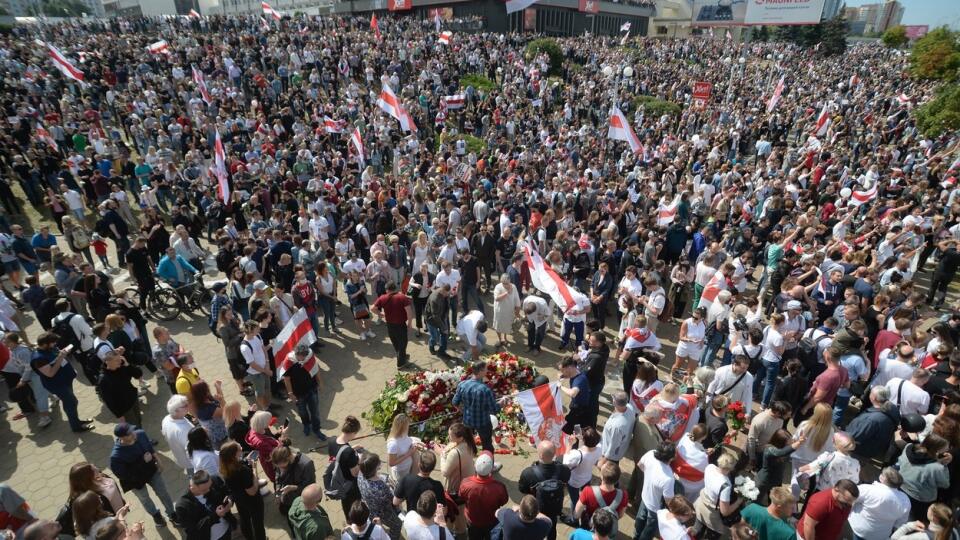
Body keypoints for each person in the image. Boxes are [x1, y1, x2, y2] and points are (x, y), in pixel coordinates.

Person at [109, 423, 177, 528]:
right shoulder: (116, 456)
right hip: (136, 481)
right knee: (145, 498)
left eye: (132, 430)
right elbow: (122, 475)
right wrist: (142, 463)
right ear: (122, 438)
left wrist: (158, 460)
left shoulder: (140, 434)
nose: (133, 434)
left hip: (151, 471)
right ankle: (156, 515)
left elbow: (149, 447)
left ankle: (172, 514)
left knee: (163, 492)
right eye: (129, 433)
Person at [30, 331, 92, 432]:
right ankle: (76, 426)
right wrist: (60, 357)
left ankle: (76, 421)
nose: (55, 345)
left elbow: (56, 356)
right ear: (45, 344)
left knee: (70, 403)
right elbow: (50, 373)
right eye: (53, 343)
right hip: (57, 385)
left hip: (65, 380)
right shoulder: (38, 358)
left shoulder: (50, 348)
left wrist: (62, 352)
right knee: (71, 403)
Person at [452, 360, 502, 470]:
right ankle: (489, 466)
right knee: (487, 445)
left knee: (468, 443)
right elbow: (494, 410)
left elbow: (454, 402)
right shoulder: (485, 390)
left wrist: (462, 411)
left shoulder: (462, 384)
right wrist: (501, 403)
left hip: (467, 421)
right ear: (480, 371)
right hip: (483, 422)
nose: (487, 370)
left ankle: (469, 464)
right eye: (485, 369)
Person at [518, 440, 572, 540]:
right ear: (554, 454)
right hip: (555, 507)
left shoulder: (528, 473)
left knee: (534, 529)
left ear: (540, 455)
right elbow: (566, 480)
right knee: (552, 527)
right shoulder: (564, 469)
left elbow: (522, 489)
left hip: (535, 509)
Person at [897, 433, 952, 520]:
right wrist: (945, 465)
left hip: (900, 486)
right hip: (919, 497)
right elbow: (945, 484)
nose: (948, 449)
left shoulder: (908, 447)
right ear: (937, 450)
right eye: (946, 448)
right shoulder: (937, 467)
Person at [848, 467, 911, 540]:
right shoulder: (905, 500)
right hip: (881, 535)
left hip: (860, 529)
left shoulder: (867, 489)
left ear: (883, 479)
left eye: (882, 474)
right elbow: (900, 522)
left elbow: (850, 499)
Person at [282, 344, 328, 441]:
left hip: (312, 390)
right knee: (302, 412)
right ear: (296, 354)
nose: (301, 358)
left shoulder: (310, 358)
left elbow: (316, 370)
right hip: (298, 393)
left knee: (315, 412)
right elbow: (287, 379)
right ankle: (306, 425)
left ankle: (316, 429)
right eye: (299, 356)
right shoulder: (289, 361)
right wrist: (290, 393)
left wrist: (320, 382)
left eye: (303, 356)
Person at [458, 453, 509, 540]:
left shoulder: (465, 483)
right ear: (491, 470)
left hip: (472, 521)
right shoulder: (499, 487)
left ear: (475, 466)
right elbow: (503, 501)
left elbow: (461, 497)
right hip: (491, 521)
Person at [693, 451, 744, 539]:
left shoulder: (710, 467)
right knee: (712, 536)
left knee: (697, 530)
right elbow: (725, 512)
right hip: (712, 513)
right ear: (731, 468)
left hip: (701, 503)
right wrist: (739, 502)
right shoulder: (725, 485)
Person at [633, 441, 677, 540]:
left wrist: (650, 476)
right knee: (648, 531)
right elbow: (668, 501)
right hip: (655, 508)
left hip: (644, 497)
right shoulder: (669, 477)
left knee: (639, 522)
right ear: (670, 458)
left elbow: (640, 465)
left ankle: (635, 537)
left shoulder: (650, 453)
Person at [174, 470, 233, 540]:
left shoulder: (215, 480)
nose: (209, 490)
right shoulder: (182, 506)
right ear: (192, 488)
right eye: (204, 489)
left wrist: (230, 501)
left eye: (210, 486)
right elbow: (193, 531)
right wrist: (215, 516)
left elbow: (229, 492)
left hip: (227, 529)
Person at [356, 453, 403, 540]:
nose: (380, 462)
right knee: (397, 525)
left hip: (370, 509)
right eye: (379, 462)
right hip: (384, 512)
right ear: (375, 469)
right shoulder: (382, 486)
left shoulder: (360, 474)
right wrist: (394, 486)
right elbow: (394, 500)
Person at [847, 385, 901, 460]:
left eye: (871, 393)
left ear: (873, 398)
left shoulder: (870, 420)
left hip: (859, 452)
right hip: (874, 448)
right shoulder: (893, 408)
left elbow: (855, 437)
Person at [273, 445, 317, 533]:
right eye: (278, 466)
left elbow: (310, 486)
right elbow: (277, 476)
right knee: (289, 518)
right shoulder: (279, 458)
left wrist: (294, 488)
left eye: (282, 466)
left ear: (289, 458)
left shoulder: (306, 464)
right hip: (286, 499)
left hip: (300, 500)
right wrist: (278, 492)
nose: (280, 468)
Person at [371, 281, 414, 369]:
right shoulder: (402, 297)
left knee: (396, 343)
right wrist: (410, 323)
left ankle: (402, 356)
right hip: (401, 325)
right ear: (395, 288)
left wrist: (380, 314)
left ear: (386, 289)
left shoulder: (382, 297)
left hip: (390, 325)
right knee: (403, 343)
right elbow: (409, 312)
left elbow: (372, 308)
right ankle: (400, 364)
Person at [573, 462, 628, 530]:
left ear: (601, 476)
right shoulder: (623, 495)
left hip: (590, 526)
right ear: (617, 480)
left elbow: (576, 514)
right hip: (607, 528)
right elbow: (620, 515)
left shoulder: (588, 491)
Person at [328, 415, 363, 519]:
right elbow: (355, 473)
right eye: (356, 434)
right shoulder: (348, 453)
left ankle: (348, 517)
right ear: (353, 433)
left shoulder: (332, 440)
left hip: (338, 478)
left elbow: (338, 453)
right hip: (349, 484)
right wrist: (360, 460)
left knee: (345, 501)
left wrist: (352, 448)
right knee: (353, 502)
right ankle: (354, 519)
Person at [240, 320, 273, 411]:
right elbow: (253, 365)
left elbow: (264, 350)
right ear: (251, 330)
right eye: (257, 328)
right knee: (260, 392)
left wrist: (267, 364)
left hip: (265, 368)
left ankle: (269, 404)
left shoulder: (257, 336)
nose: (259, 329)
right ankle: (264, 408)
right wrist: (266, 371)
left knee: (267, 388)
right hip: (256, 373)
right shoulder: (245, 347)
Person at [598, 391, 635, 467]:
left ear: (614, 402)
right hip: (622, 445)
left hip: (612, 456)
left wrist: (603, 461)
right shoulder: (630, 407)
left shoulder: (617, 426)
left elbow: (613, 447)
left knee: (610, 474)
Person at [891, 502, 959, 540]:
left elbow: (894, 538)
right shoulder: (954, 531)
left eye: (929, 509)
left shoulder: (921, 537)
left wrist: (909, 526)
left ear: (934, 518)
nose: (927, 510)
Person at [491, 273, 521, 348]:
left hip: (509, 311)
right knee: (498, 326)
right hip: (499, 311)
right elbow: (497, 298)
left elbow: (517, 300)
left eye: (506, 283)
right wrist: (507, 292)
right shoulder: (498, 287)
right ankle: (500, 339)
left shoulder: (513, 287)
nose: (505, 285)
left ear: (509, 281)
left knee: (507, 326)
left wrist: (517, 313)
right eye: (503, 283)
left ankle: (504, 338)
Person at [425, 284, 452, 359]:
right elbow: (435, 316)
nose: (447, 295)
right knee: (435, 337)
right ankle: (431, 345)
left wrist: (445, 318)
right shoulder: (435, 298)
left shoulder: (446, 294)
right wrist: (443, 327)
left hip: (442, 317)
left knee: (445, 334)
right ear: (442, 290)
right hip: (432, 320)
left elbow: (447, 304)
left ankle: (442, 352)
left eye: (448, 293)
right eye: (446, 294)